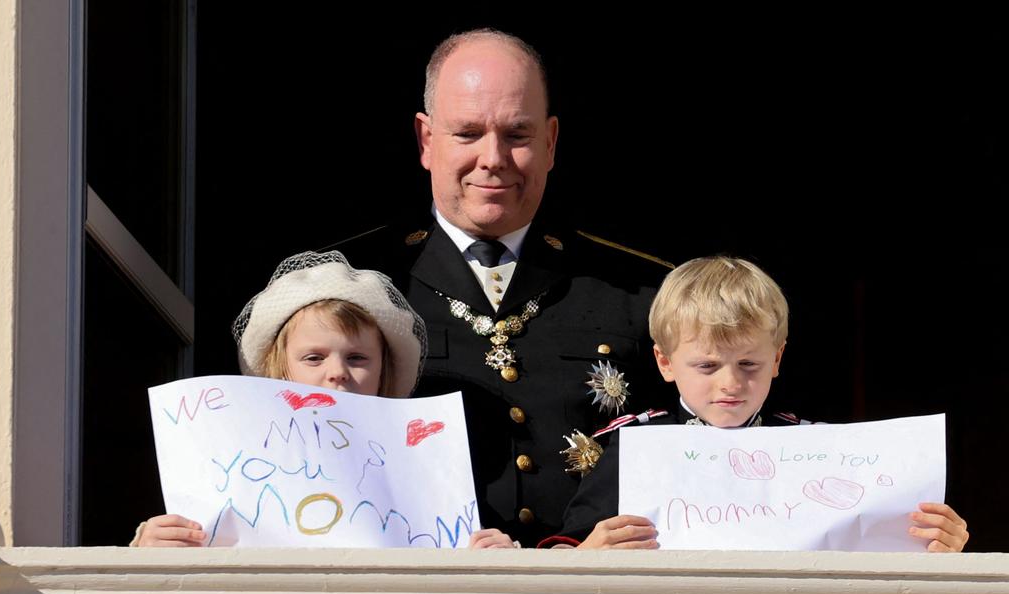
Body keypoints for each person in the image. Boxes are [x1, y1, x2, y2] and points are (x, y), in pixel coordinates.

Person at [334, 29, 672, 547]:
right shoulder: (351, 283)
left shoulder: (644, 291)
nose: (493, 158)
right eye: (467, 134)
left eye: (517, 135)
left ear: (550, 142)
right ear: (426, 141)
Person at [552, 255, 970, 553]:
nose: (730, 383)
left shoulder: (822, 449)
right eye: (708, 365)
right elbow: (568, 549)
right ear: (665, 362)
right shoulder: (633, 446)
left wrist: (939, 545)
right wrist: (587, 552)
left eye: (749, 363)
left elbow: (886, 549)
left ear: (778, 360)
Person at [134, 250, 514, 549]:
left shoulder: (431, 473)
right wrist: (151, 547)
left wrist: (490, 560)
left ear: (385, 372)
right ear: (280, 370)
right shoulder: (221, 459)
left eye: (357, 358)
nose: (337, 372)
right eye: (314, 357)